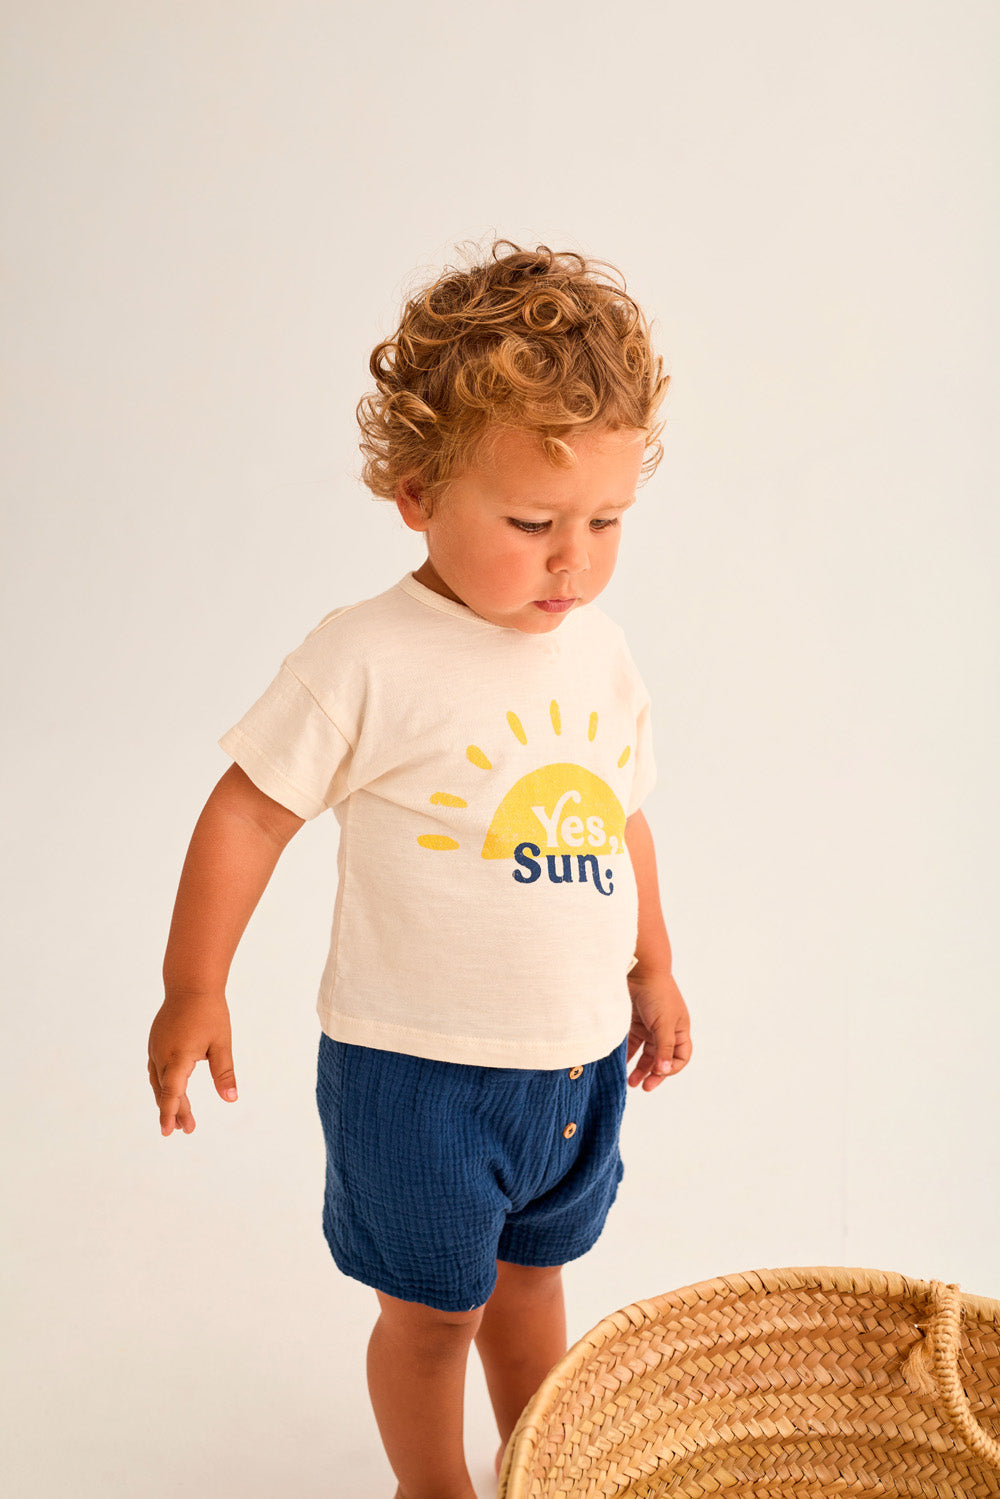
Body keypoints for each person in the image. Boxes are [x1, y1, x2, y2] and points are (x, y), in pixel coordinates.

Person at [148, 239, 693, 1499]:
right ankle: (429, 1485)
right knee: (434, 1311)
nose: (575, 559)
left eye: (605, 522)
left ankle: (536, 1462)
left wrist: (653, 963)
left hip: (570, 1063)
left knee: (533, 1281)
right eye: (530, 522)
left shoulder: (600, 652)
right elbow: (248, 812)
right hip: (418, 1072)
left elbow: (616, 814)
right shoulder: (369, 655)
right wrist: (196, 983)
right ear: (413, 490)